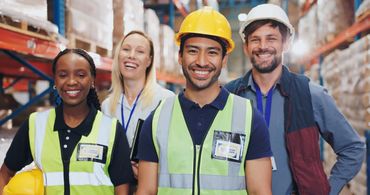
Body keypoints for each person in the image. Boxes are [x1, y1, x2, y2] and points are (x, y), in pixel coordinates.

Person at [225, 4, 366, 195]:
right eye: (255, 40)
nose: (263, 46)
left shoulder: (310, 95)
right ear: (246, 47)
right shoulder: (230, 96)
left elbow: (353, 148)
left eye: (271, 38)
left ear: (286, 43)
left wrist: (326, 190)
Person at [137, 6, 273, 195]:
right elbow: (146, 191)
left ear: (224, 59)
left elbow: (260, 192)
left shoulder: (249, 118)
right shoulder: (158, 118)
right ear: (180, 56)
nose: (202, 61)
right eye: (193, 51)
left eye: (212, 52)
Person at [0, 48, 133, 195]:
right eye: (63, 75)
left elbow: (122, 190)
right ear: (55, 81)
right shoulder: (35, 125)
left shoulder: (111, 130)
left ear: (92, 80)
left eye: (81, 75)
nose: (71, 81)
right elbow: (5, 174)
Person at [101, 30, 174, 177]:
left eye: (140, 51)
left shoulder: (165, 100)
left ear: (149, 60)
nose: (131, 55)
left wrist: (148, 171)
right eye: (126, 49)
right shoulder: (108, 106)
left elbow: (173, 154)